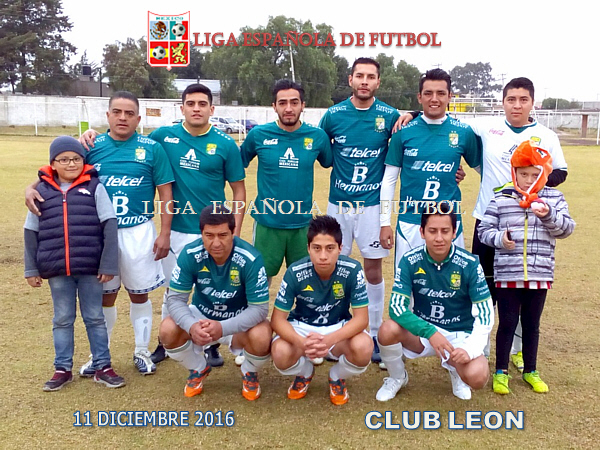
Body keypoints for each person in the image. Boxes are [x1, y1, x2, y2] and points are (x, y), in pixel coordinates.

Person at [397, 77, 568, 369]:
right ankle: (482, 346)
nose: (516, 105)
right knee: (483, 285)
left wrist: (531, 184)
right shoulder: (487, 127)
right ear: (503, 102)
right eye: (511, 99)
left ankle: (517, 349)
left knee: (523, 286)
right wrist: (414, 113)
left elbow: (560, 172)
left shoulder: (546, 135)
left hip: (527, 223)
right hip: (488, 219)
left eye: (523, 100)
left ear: (532, 103)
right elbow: (442, 114)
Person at [78, 83, 246, 368]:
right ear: (182, 108)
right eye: (190, 103)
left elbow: (239, 191)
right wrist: (89, 133)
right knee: (173, 291)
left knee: (212, 290)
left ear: (211, 108)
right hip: (177, 229)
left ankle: (211, 345)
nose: (196, 109)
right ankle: (166, 342)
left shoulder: (226, 144)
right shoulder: (162, 137)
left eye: (202, 104)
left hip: (214, 232)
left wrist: (235, 231)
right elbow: (127, 139)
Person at [27, 91, 174, 376]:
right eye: (117, 112)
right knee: (104, 296)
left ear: (138, 119)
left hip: (138, 230)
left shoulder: (152, 148)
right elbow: (59, 170)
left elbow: (166, 193)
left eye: (129, 113)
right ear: (107, 115)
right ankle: (99, 356)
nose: (122, 118)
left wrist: (165, 232)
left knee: (139, 294)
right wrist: (30, 188)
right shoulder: (92, 146)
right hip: (98, 234)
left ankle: (141, 351)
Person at [24, 136, 124, 391]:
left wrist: (108, 264)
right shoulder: (40, 192)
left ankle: (103, 366)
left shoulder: (94, 187)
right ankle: (62, 369)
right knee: (62, 319)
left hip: (90, 268)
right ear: (53, 163)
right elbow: (30, 231)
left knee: (95, 317)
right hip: (57, 268)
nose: (71, 164)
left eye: (76, 159)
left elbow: (109, 225)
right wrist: (31, 268)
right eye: (64, 159)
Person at [319, 57, 400, 365]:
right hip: (338, 205)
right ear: (350, 79)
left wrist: (412, 113)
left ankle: (375, 333)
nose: (364, 81)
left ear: (378, 82)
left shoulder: (390, 115)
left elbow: (416, 131)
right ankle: (334, 329)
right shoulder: (333, 115)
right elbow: (319, 149)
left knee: (373, 270)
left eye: (370, 76)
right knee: (333, 266)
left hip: (372, 206)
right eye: (359, 76)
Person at [478, 141, 574, 394]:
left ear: (545, 173)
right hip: (508, 274)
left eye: (535, 174)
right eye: (523, 174)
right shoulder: (502, 197)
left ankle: (531, 370)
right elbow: (483, 231)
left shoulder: (554, 198)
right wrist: (500, 239)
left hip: (539, 274)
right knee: (507, 323)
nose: (529, 180)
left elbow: (566, 229)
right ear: (514, 173)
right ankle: (501, 372)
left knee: (532, 324)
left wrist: (547, 214)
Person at [375, 204, 493, 401]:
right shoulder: (409, 260)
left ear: (454, 232)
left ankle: (456, 371)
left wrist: (470, 349)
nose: (439, 238)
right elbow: (396, 308)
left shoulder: (470, 264)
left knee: (478, 376)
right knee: (387, 330)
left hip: (459, 335)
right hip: (424, 333)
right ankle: (397, 377)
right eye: (432, 231)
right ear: (422, 232)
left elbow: (485, 314)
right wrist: (430, 332)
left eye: (445, 231)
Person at [159, 205, 271, 400]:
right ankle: (198, 368)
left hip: (238, 319)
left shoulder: (250, 258)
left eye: (223, 235)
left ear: (233, 232)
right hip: (202, 316)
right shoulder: (190, 253)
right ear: (201, 233)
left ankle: (249, 372)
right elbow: (175, 300)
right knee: (167, 329)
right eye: (209, 235)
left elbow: (259, 309)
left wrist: (222, 327)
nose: (216, 243)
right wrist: (191, 325)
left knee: (262, 335)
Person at [380, 68, 481, 266]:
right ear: (419, 97)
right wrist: (384, 222)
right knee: (408, 282)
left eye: (441, 93)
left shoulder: (463, 132)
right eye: (428, 93)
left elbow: (484, 171)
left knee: (451, 281)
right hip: (411, 221)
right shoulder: (402, 131)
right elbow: (389, 179)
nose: (434, 99)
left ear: (450, 96)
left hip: (449, 223)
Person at [271, 215, 372, 405]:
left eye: (330, 248)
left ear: (340, 248)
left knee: (364, 347)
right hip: (302, 327)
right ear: (308, 248)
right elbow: (277, 320)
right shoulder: (295, 271)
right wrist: (302, 343)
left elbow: (361, 319)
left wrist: (329, 340)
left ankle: (337, 376)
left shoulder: (352, 269)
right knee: (280, 352)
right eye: (317, 248)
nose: (323, 256)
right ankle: (304, 372)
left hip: (337, 327)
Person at [241, 79, 332, 283]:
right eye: (282, 103)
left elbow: (329, 162)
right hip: (267, 224)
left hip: (302, 225)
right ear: (274, 106)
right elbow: (237, 163)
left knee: (306, 282)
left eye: (294, 102)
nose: (288, 108)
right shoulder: (258, 135)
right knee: (260, 280)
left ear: (303, 105)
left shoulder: (317, 136)